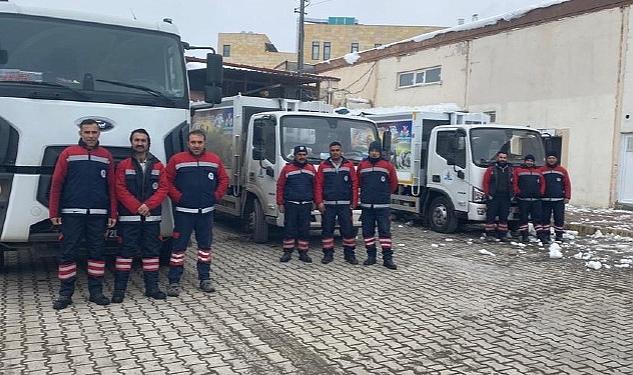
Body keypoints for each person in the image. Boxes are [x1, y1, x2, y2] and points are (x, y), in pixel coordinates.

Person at [48, 119, 117, 310]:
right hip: (72, 213)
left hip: (98, 214)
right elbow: (57, 184)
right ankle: (65, 294)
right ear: (80, 133)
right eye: (87, 132)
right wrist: (54, 211)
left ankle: (96, 292)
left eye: (94, 132)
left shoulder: (106, 156)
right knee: (68, 253)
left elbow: (111, 188)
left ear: (99, 134)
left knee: (97, 253)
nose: (91, 136)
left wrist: (112, 212)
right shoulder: (68, 154)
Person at [165, 129, 228, 296]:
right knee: (178, 248)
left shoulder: (214, 159)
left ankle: (205, 279)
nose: (196, 145)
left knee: (205, 248)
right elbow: (167, 181)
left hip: (206, 213)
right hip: (184, 212)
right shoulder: (177, 160)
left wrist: (215, 196)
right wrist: (178, 197)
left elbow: (224, 179)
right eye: (193, 142)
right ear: (188, 143)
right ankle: (174, 281)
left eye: (199, 142)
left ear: (204, 143)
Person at [112, 129, 170, 303]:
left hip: (151, 219)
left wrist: (148, 206)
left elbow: (163, 189)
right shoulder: (123, 165)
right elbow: (119, 188)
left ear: (148, 143)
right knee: (124, 254)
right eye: (136, 140)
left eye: (143, 140)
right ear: (131, 142)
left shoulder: (159, 166)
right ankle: (119, 291)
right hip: (129, 219)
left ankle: (152, 288)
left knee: (152, 253)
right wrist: (137, 207)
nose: (140, 143)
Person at [315, 141, 359, 265]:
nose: (335, 152)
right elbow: (318, 185)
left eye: (337, 150)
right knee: (327, 230)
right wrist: (319, 202)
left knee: (348, 231)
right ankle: (328, 254)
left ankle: (349, 255)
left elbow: (355, 184)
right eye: (333, 150)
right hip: (328, 204)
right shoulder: (323, 166)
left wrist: (354, 201)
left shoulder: (349, 165)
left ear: (341, 151)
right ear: (330, 152)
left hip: (345, 204)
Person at [357, 140, 398, 269]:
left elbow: (393, 184)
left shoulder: (388, 166)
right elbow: (359, 183)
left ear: (380, 152)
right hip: (367, 205)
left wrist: (383, 194)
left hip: (383, 206)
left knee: (384, 232)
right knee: (367, 232)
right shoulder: (362, 165)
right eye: (372, 151)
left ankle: (387, 258)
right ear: (369, 152)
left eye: (376, 151)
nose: (374, 153)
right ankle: (371, 256)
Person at [277, 145, 317, 263]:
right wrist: (280, 202)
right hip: (291, 203)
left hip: (306, 204)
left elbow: (315, 186)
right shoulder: (287, 169)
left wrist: (315, 201)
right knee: (290, 229)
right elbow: (280, 186)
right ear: (294, 156)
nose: (301, 157)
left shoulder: (311, 168)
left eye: (304, 155)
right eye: (299, 155)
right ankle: (287, 252)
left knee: (304, 229)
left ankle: (303, 253)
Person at [513, 154, 546, 243]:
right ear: (525, 161)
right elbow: (515, 183)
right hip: (523, 199)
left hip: (536, 200)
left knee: (538, 219)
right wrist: (518, 192)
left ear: (533, 162)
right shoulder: (518, 170)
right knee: (523, 218)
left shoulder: (538, 171)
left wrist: (541, 192)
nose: (529, 162)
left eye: (531, 161)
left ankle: (541, 236)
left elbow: (543, 183)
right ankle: (524, 236)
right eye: (528, 161)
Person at [540, 151, 572, 242]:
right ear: (547, 159)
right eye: (549, 158)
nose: (551, 160)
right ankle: (546, 235)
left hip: (559, 199)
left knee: (559, 218)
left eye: (553, 158)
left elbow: (567, 184)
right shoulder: (542, 170)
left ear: (556, 159)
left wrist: (567, 196)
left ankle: (559, 235)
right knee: (545, 218)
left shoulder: (562, 170)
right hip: (545, 199)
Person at [482, 151, 513, 241]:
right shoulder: (491, 169)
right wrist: (488, 194)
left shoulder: (511, 169)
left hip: (506, 196)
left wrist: (512, 194)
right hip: (493, 196)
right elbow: (485, 182)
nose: (502, 159)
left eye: (504, 158)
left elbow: (513, 182)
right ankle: (489, 234)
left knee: (504, 216)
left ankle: (502, 235)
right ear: (497, 158)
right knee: (491, 216)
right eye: (501, 157)